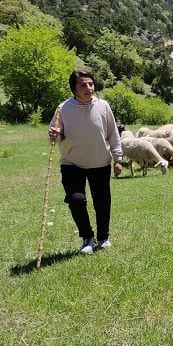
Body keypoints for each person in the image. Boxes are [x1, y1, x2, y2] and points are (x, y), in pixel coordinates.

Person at [48, 70, 123, 254]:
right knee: (76, 200)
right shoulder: (63, 108)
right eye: (83, 85)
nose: (88, 88)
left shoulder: (103, 106)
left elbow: (113, 134)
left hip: (100, 161)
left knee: (102, 202)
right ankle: (87, 237)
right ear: (74, 88)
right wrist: (53, 135)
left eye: (90, 84)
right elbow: (54, 136)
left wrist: (118, 158)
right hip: (72, 162)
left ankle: (103, 237)